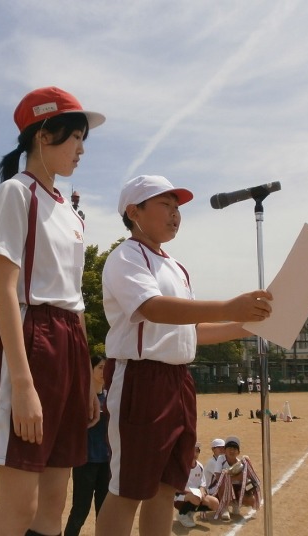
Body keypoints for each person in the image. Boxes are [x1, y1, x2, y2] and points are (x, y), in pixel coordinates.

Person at [95, 175, 272, 536]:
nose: (175, 214)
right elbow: (153, 307)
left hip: (179, 381)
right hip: (140, 379)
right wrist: (229, 306)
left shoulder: (176, 267)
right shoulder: (126, 256)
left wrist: (248, 326)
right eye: (165, 205)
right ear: (134, 212)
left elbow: (190, 330)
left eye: (177, 208)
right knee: (128, 489)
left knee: (166, 487)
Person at [0, 86, 105, 536]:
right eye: (76, 137)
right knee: (21, 504)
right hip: (33, 338)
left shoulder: (72, 214)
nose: (81, 150)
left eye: (84, 139)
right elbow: (5, 292)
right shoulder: (16, 193)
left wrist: (87, 381)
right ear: (44, 135)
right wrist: (22, 383)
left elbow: (76, 301)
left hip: (70, 342)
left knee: (54, 503)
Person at [64, 355, 110, 536]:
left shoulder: (111, 398)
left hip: (106, 462)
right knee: (80, 510)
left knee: (104, 512)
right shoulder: (82, 398)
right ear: (90, 370)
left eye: (106, 367)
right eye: (100, 367)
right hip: (85, 461)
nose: (103, 371)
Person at [208, 436, 261, 519]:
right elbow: (218, 477)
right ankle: (224, 508)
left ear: (238, 452)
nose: (232, 451)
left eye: (235, 449)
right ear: (225, 451)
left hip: (235, 489)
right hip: (219, 491)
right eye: (229, 448)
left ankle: (235, 503)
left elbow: (244, 480)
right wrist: (232, 477)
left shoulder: (240, 464)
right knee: (223, 482)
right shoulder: (221, 459)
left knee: (251, 499)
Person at [174, 442, 219, 528]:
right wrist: (191, 493)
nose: (195, 454)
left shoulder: (199, 466)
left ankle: (190, 513)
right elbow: (175, 487)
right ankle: (182, 514)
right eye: (192, 451)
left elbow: (202, 483)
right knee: (195, 498)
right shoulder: (180, 467)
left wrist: (201, 491)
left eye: (197, 451)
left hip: (196, 495)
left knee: (215, 503)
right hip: (179, 497)